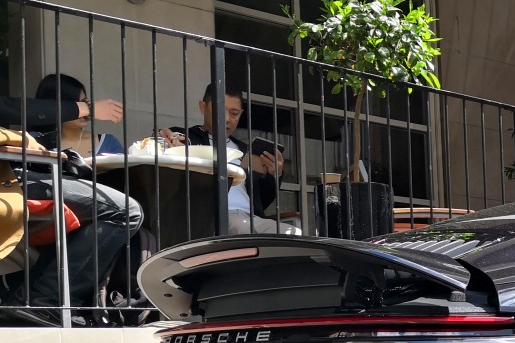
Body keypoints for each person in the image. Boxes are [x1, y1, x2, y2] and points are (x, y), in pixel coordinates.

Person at [1, 75, 142, 312]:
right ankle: (46, 300)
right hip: (12, 179)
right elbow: (10, 108)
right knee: (127, 211)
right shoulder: (40, 137)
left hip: (17, 176)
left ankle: (35, 298)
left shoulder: (103, 140)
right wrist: (89, 107)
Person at [165, 85, 299, 235]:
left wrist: (274, 174)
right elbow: (166, 141)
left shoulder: (244, 149)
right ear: (203, 107)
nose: (227, 119)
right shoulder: (188, 137)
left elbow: (263, 199)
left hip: (251, 218)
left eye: (234, 113)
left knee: (296, 234)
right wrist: (171, 143)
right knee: (244, 230)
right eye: (220, 111)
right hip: (210, 217)